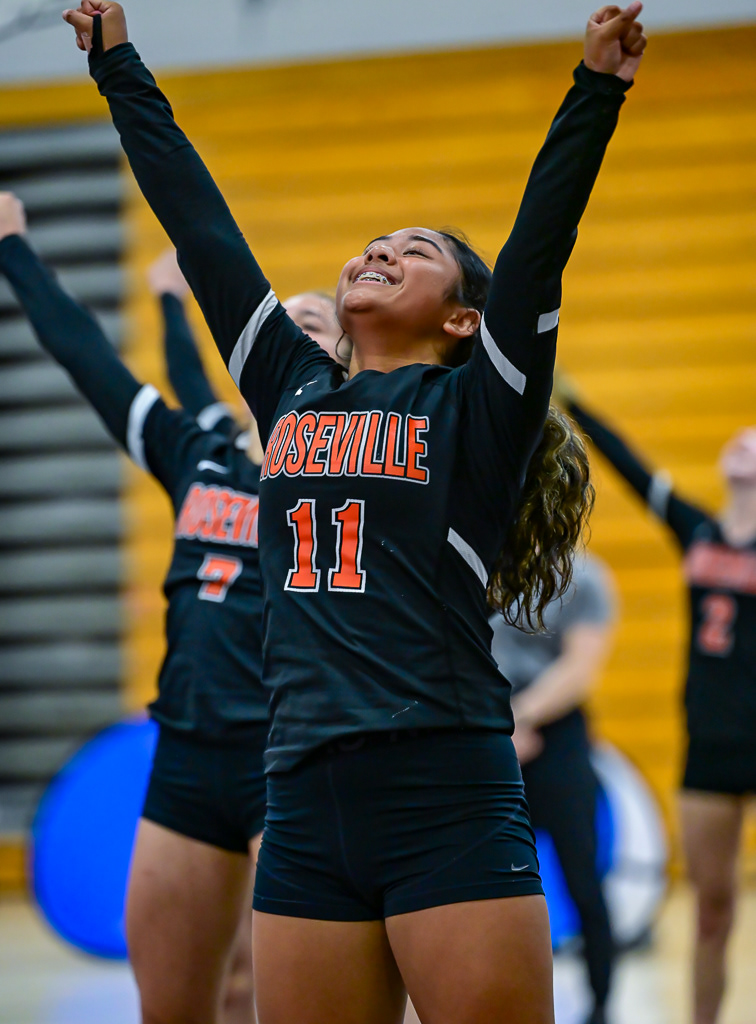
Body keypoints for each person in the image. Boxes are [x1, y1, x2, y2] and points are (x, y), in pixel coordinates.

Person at [61, 4, 646, 1021]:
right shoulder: (287, 385)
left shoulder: (477, 408)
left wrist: (594, 89)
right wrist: (119, 67)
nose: (380, 250)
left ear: (464, 316)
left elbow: (542, 243)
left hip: (445, 792)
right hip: (302, 797)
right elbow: (200, 226)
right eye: (374, 242)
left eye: (415, 251)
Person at [0, 198, 269, 1024]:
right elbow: (94, 361)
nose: (294, 328)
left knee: (269, 992)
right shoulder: (204, 455)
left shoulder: (345, 480)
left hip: (290, 759)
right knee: (186, 1000)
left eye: (314, 323)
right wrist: (14, 250)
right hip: (186, 755)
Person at [552, 376, 756, 1024]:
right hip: (712, 747)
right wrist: (574, 401)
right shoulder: (699, 532)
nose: (742, 445)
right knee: (711, 908)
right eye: (739, 441)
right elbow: (634, 467)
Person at [490, 553, 618, 1024]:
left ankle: (602, 1003)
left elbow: (579, 671)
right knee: (488, 888)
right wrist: (498, 727)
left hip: (554, 738)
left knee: (583, 879)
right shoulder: (480, 565)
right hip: (491, 734)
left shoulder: (584, 578)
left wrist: (518, 717)